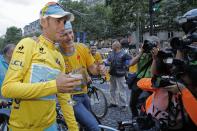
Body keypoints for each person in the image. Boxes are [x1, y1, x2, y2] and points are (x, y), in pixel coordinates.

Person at [1, 2, 81, 131]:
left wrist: (73, 127)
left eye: (64, 21)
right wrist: (54, 85)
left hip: (51, 125)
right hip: (23, 128)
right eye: (58, 21)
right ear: (44, 22)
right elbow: (8, 89)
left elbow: (64, 98)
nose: (63, 26)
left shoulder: (59, 57)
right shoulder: (28, 44)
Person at [58, 21, 106, 131]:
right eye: (65, 34)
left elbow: (92, 69)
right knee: (94, 127)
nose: (69, 37)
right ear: (58, 36)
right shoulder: (55, 53)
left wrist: (99, 69)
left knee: (86, 125)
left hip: (84, 94)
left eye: (70, 32)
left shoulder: (82, 48)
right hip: (70, 99)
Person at [129, 35, 160, 118]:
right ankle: (135, 119)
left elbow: (154, 73)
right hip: (138, 81)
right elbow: (131, 63)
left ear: (157, 45)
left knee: (144, 104)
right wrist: (141, 52)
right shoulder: (143, 54)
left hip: (149, 83)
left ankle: (144, 120)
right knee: (132, 103)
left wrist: (155, 57)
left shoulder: (159, 56)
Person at [106, 40, 132, 109]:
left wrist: (126, 66)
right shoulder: (111, 53)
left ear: (117, 46)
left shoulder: (124, 53)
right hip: (112, 73)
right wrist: (105, 62)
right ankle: (113, 102)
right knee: (112, 89)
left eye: (113, 45)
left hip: (120, 74)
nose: (111, 46)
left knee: (121, 90)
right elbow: (107, 60)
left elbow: (130, 60)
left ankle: (123, 104)